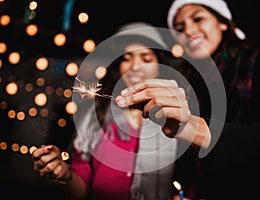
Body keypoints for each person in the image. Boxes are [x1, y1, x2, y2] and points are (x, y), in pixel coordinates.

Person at [115, 0, 260, 199]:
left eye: (198, 19)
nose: (188, 30)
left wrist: (191, 127)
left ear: (222, 22)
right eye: (180, 28)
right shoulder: (185, 80)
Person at [32, 22, 178, 200]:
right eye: (126, 58)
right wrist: (63, 173)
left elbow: (188, 182)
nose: (135, 66)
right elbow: (80, 190)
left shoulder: (175, 117)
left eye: (146, 59)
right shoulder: (96, 117)